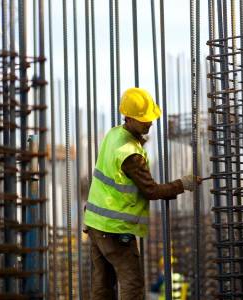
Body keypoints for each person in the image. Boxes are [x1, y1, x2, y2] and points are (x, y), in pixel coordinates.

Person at [84, 87, 202, 300]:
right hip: (115, 231)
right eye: (144, 119)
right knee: (133, 286)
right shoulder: (131, 155)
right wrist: (183, 184)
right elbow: (151, 190)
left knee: (102, 288)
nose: (150, 122)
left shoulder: (114, 134)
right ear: (128, 118)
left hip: (95, 224)